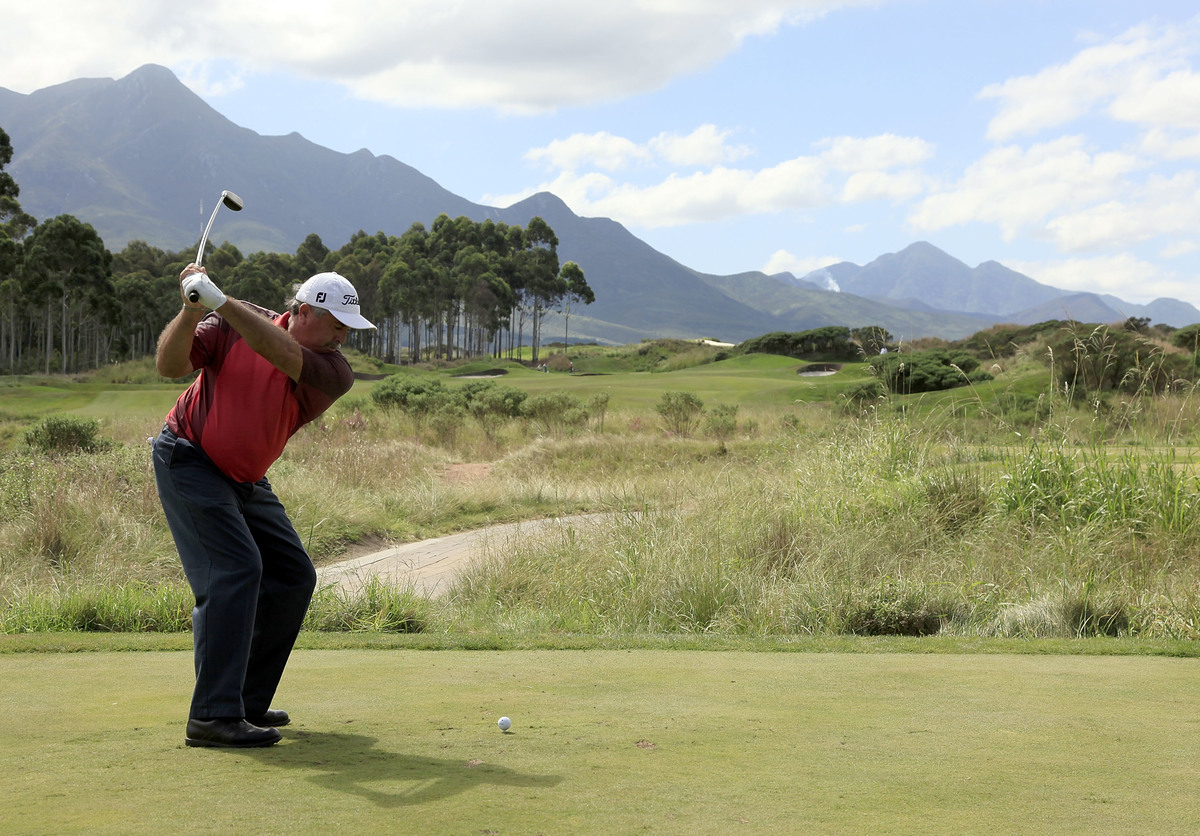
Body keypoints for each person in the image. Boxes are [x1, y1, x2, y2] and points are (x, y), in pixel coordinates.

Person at [152, 266, 375, 748]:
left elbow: (280, 352)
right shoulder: (229, 322)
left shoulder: (333, 371)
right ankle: (213, 715)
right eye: (335, 323)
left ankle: (245, 700)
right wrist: (191, 313)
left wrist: (219, 301)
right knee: (235, 570)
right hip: (189, 459)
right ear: (303, 311)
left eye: (347, 328)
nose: (341, 337)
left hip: (246, 479)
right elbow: (170, 367)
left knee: (293, 575)